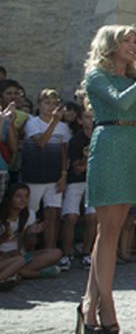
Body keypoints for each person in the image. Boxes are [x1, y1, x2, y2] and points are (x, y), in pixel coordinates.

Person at [79, 25, 136, 333]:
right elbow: (119, 101)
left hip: (133, 147)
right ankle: (106, 304)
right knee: (107, 231)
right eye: (127, 40)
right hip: (109, 145)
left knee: (112, 231)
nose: (134, 45)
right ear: (111, 44)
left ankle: (88, 303)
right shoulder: (96, 76)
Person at [22, 89, 72, 258]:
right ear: (39, 104)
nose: (51, 107)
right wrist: (54, 122)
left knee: (53, 214)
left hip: (54, 177)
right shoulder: (33, 123)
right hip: (34, 177)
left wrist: (64, 174)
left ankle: (50, 254)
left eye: (54, 103)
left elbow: (64, 152)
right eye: (47, 103)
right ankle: (27, 252)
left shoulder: (64, 127)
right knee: (30, 214)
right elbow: (41, 143)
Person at [1, 183, 62, 285]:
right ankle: (32, 274)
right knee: (19, 261)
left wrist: (30, 233)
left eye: (26, 196)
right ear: (10, 198)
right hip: (4, 257)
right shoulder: (2, 216)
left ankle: (15, 273)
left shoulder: (29, 214)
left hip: (19, 255)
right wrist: (5, 238)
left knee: (56, 253)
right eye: (18, 196)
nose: (23, 200)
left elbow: (29, 246)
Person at [60, 110, 96, 270]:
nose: (92, 120)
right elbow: (77, 169)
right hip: (76, 181)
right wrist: (85, 159)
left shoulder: (101, 137)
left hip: (95, 180)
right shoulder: (76, 141)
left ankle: (86, 253)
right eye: (88, 117)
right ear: (80, 121)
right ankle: (66, 254)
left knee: (93, 217)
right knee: (70, 217)